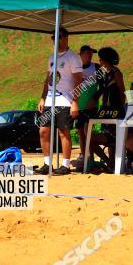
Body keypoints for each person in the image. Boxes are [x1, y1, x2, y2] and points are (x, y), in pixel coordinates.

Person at [36, 27, 83, 176]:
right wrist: (43, 97)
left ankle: (65, 165)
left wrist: (75, 102)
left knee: (63, 132)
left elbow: (78, 82)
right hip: (50, 99)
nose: (56, 40)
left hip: (65, 100)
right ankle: (47, 164)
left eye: (59, 37)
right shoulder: (51, 57)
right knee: (43, 131)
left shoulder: (73, 58)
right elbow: (47, 79)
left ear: (66, 38)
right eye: (53, 38)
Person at [87, 47, 126, 171]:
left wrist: (120, 109)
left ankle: (114, 164)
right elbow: (103, 91)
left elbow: (122, 91)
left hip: (116, 109)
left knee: (113, 138)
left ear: (106, 60)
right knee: (105, 138)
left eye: (101, 59)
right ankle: (109, 162)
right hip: (106, 110)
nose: (99, 61)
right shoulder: (105, 73)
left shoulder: (116, 72)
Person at [71, 44, 99, 172]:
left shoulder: (96, 68)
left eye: (91, 54)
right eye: (88, 54)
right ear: (80, 54)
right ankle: (85, 157)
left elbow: (104, 86)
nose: (90, 56)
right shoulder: (74, 67)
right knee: (81, 133)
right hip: (78, 106)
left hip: (91, 106)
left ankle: (91, 158)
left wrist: (96, 98)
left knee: (88, 132)